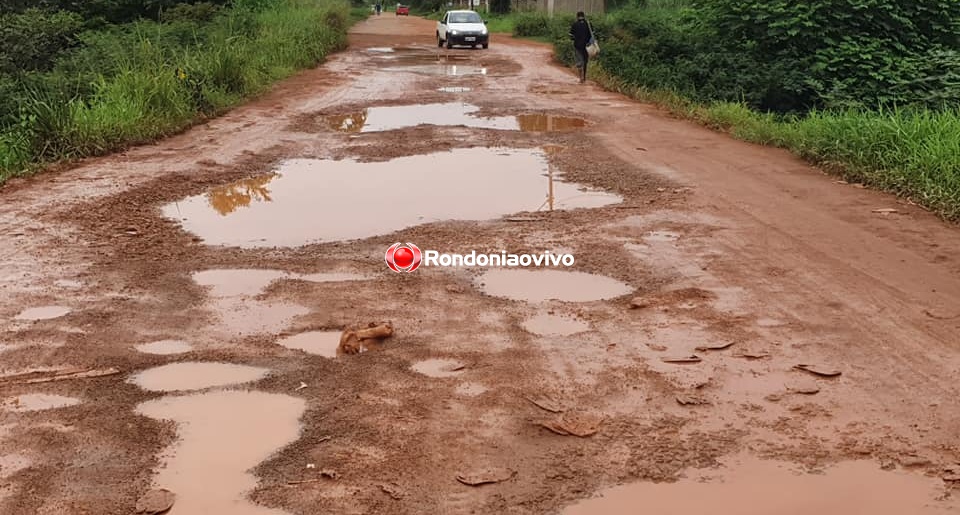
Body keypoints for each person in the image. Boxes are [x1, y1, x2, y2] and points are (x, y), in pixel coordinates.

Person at [568, 11, 592, 83]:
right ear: (584, 16)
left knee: (579, 62)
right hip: (587, 46)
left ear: (577, 16)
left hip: (577, 46)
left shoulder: (575, 24)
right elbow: (592, 35)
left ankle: (580, 77)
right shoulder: (588, 24)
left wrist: (575, 39)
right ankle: (584, 77)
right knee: (585, 61)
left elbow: (571, 35)